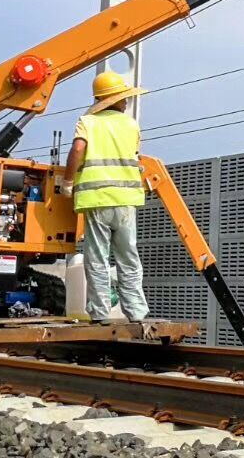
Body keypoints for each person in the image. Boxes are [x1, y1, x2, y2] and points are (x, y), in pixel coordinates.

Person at [62, 70, 149, 324]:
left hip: (97, 200)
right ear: (115, 99)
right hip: (125, 200)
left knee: (97, 258)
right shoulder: (131, 125)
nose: (127, 101)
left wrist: (68, 182)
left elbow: (78, 149)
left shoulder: (87, 122)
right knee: (128, 257)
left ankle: (100, 313)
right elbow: (134, 156)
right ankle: (136, 312)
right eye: (124, 97)